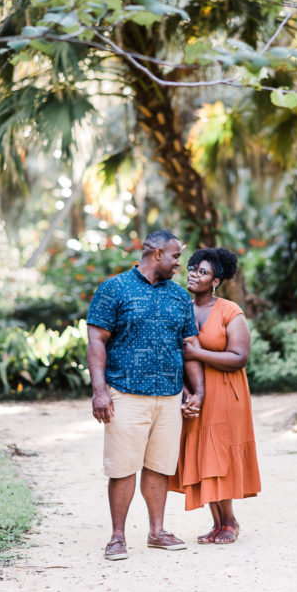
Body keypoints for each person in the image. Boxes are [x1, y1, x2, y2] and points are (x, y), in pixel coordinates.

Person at [86, 229, 204, 561]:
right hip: (124, 393)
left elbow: (189, 348)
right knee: (123, 467)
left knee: (159, 467)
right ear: (155, 254)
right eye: (175, 256)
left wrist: (195, 391)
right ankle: (118, 537)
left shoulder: (179, 296)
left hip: (168, 397)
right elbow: (97, 341)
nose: (180, 264)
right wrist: (99, 392)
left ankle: (157, 532)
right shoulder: (114, 289)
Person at [169, 247, 260, 544]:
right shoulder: (182, 306)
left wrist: (199, 353)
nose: (194, 275)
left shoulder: (229, 311)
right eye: (192, 269)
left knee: (220, 451)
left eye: (203, 272)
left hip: (226, 392)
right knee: (204, 452)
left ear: (216, 281)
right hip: (195, 393)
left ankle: (230, 522)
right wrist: (185, 392)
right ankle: (216, 522)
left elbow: (240, 356)